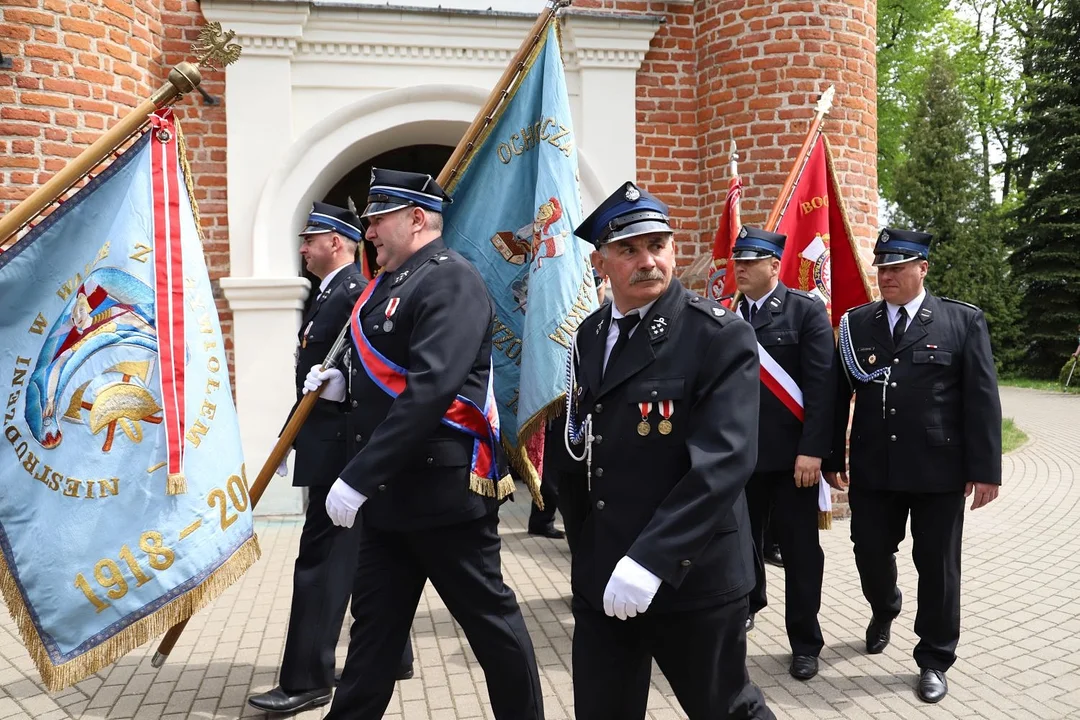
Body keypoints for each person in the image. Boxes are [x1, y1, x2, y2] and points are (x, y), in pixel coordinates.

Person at [305, 169, 544, 720]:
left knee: (491, 627)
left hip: (441, 496)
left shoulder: (449, 279)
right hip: (391, 499)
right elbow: (391, 376)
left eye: (377, 219)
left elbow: (430, 389)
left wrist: (358, 476)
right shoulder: (389, 282)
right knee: (372, 637)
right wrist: (345, 389)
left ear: (416, 219)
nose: (368, 233)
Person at [549, 181, 774, 720]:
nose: (648, 261)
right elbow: (581, 440)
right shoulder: (589, 334)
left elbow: (723, 463)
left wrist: (650, 560)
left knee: (726, 709)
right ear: (602, 260)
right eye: (629, 249)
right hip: (604, 569)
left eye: (658, 245)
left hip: (689, 574)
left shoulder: (717, 335)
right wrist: (585, 545)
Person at [248, 203, 414, 715]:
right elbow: (316, 380)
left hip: (344, 455)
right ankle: (390, 656)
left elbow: (370, 371)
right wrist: (287, 440)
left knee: (319, 566)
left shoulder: (353, 294)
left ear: (336, 244)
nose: (301, 248)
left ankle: (307, 678)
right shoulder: (334, 295)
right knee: (365, 561)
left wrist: (342, 393)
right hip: (327, 448)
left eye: (309, 239)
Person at [824, 227, 1002, 704]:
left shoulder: (960, 322)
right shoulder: (856, 325)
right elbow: (836, 395)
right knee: (868, 552)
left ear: (922, 268)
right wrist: (828, 454)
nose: (887, 276)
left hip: (937, 471)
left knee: (939, 567)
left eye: (898, 267)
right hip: (873, 468)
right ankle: (885, 607)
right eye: (882, 268)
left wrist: (986, 469)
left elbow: (982, 401)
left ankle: (934, 658)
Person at [731, 226, 835, 680]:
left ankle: (805, 641)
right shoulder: (725, 316)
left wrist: (813, 451)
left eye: (750, 261)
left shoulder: (805, 312)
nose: (741, 268)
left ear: (775, 266)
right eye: (738, 260)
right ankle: (746, 609)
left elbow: (821, 387)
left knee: (800, 552)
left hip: (794, 462)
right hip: (739, 459)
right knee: (739, 545)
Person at [527, 269, 608, 540]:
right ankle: (542, 517)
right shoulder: (573, 314)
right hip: (564, 400)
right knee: (556, 465)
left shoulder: (604, 317)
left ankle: (548, 516)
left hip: (587, 405)